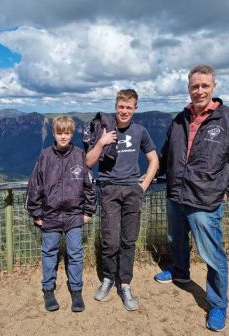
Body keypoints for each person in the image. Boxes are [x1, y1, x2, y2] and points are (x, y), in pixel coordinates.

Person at [154, 64, 229, 332]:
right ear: (188, 88)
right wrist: (146, 178)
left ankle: (218, 304)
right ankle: (180, 272)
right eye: (195, 86)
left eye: (205, 85)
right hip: (176, 194)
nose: (200, 90)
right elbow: (166, 155)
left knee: (212, 254)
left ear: (214, 87)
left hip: (206, 200)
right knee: (176, 238)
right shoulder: (179, 119)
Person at [85, 89, 159, 310]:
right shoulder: (105, 129)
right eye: (121, 107)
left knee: (129, 240)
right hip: (109, 190)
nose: (124, 111)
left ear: (135, 108)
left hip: (132, 191)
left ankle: (125, 283)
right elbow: (88, 162)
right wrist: (101, 142)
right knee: (110, 240)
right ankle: (108, 278)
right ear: (116, 107)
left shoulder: (140, 131)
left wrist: (143, 186)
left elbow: (153, 159)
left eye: (129, 107)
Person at [27, 115, 96, 312]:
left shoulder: (79, 155)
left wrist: (88, 211)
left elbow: (89, 185)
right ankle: (48, 290)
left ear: (72, 133)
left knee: (75, 254)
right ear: (54, 133)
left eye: (67, 133)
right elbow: (35, 186)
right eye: (59, 133)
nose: (63, 137)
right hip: (50, 215)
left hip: (75, 215)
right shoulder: (45, 156)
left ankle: (76, 291)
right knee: (49, 253)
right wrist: (36, 213)